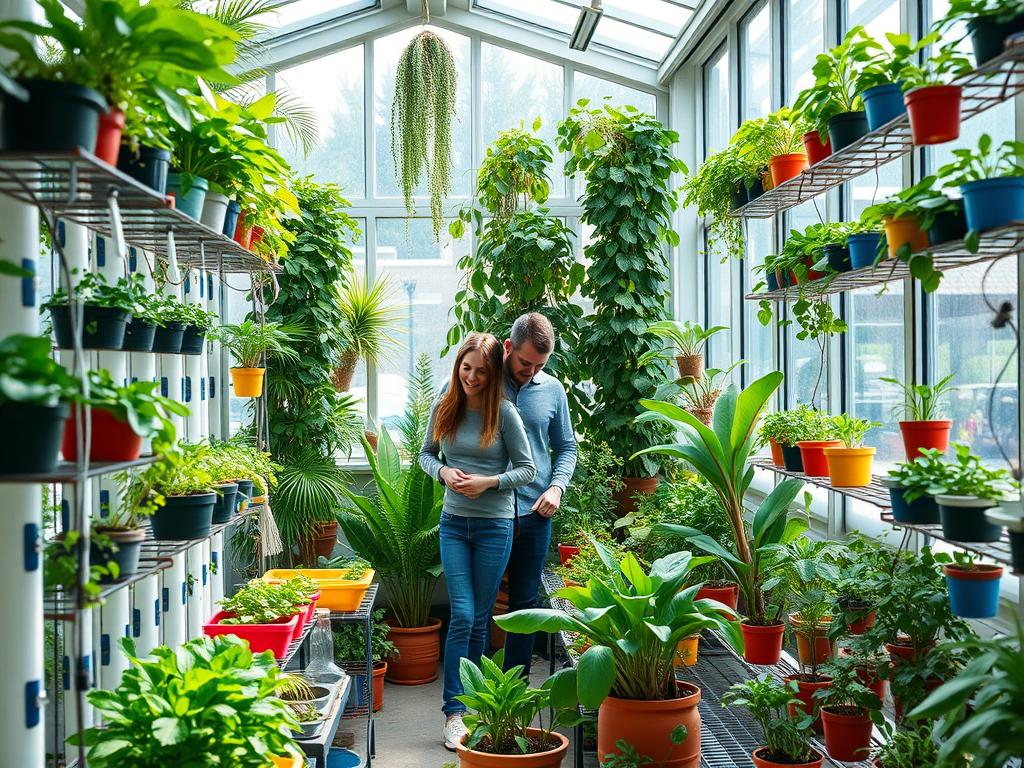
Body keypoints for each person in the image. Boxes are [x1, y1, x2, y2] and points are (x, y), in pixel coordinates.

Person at [418, 332, 536, 751]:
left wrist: (490, 482)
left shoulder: (504, 414)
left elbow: (527, 469)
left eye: (480, 371)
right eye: (465, 368)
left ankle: (479, 708)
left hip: (494, 526)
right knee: (464, 615)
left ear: (491, 374)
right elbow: (426, 454)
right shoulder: (444, 404)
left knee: (480, 619)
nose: (471, 377)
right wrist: (443, 474)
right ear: (458, 367)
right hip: (454, 524)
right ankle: (454, 713)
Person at [501, 313, 578, 675]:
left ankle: (513, 690)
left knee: (524, 604)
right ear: (508, 348)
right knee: (476, 606)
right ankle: (471, 697)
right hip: (488, 513)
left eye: (539, 365)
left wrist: (556, 487)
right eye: (524, 362)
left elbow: (566, 446)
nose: (530, 371)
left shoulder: (552, 390)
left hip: (535, 514)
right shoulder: (480, 381)